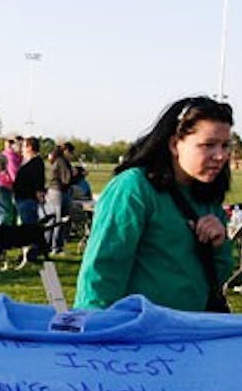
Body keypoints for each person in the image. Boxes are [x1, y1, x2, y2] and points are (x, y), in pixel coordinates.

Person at [75, 96, 233, 312]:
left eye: (225, 145)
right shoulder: (134, 188)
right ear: (174, 144)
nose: (221, 156)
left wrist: (219, 244)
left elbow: (215, 277)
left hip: (189, 330)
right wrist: (94, 327)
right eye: (208, 145)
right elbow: (102, 268)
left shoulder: (207, 195)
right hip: (137, 332)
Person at [44, 142, 74, 255]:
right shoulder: (62, 161)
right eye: (71, 153)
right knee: (59, 220)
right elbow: (67, 179)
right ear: (66, 151)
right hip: (58, 192)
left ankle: (48, 244)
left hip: (52, 192)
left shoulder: (56, 160)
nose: (72, 156)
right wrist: (75, 174)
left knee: (52, 219)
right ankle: (56, 247)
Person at [0, 136, 22, 226]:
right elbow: (13, 174)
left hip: (5, 185)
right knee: (5, 211)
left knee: (6, 211)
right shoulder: (11, 156)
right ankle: (3, 233)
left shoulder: (15, 156)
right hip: (4, 185)